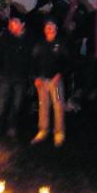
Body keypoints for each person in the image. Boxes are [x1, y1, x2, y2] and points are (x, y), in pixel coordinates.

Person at [0, 12, 32, 138]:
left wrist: (28, 75)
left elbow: (31, 58)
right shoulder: (5, 37)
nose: (11, 24)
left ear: (22, 25)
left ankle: (12, 126)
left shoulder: (28, 40)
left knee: (16, 103)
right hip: (5, 75)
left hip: (20, 77)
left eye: (15, 22)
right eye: (11, 22)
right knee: (1, 102)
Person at [31, 18, 69, 147]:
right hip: (42, 81)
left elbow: (67, 61)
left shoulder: (61, 43)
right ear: (44, 28)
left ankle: (59, 132)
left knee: (58, 105)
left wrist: (60, 74)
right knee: (43, 105)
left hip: (55, 82)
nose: (50, 27)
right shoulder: (40, 43)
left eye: (52, 25)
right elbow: (34, 61)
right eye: (47, 25)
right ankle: (43, 130)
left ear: (56, 28)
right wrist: (35, 77)